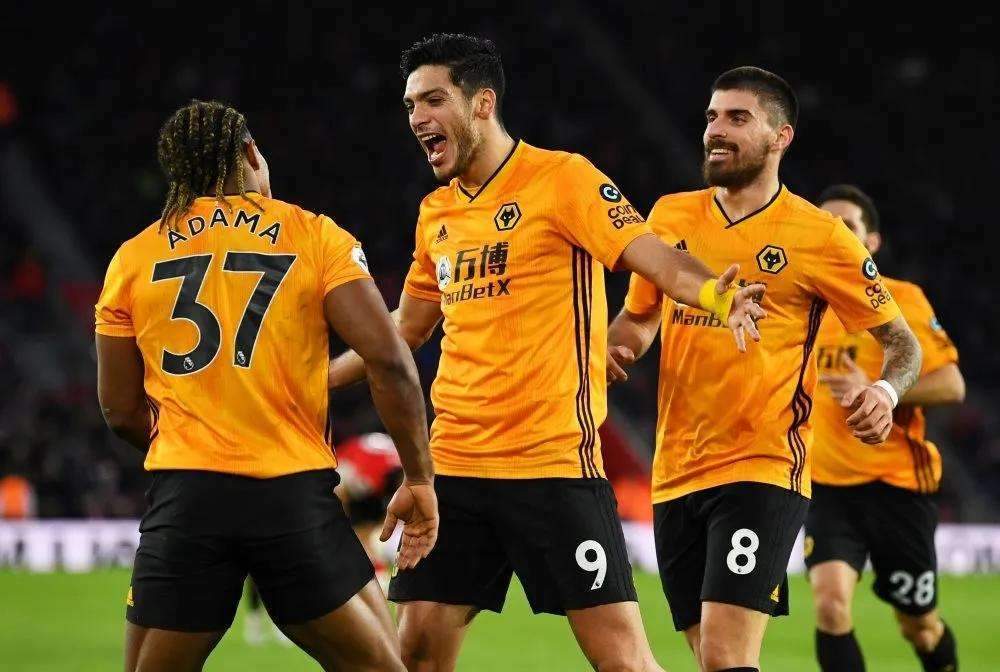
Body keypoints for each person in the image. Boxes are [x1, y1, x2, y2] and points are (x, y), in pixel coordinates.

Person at [328, 33, 764, 672]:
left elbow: (654, 258)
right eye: (410, 105)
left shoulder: (563, 180)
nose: (417, 117)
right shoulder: (436, 212)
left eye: (433, 100)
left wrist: (716, 296)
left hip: (551, 465)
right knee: (416, 655)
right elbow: (403, 330)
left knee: (623, 662)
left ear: (482, 103)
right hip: (455, 469)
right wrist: (312, 378)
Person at [95, 100, 437, 672]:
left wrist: (192, 451)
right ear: (252, 154)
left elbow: (119, 409)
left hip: (188, 500)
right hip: (290, 495)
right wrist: (420, 477)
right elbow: (390, 361)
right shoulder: (314, 236)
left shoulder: (132, 258)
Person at [607, 67, 922, 672]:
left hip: (763, 464)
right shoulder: (670, 215)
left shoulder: (821, 236)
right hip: (674, 470)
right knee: (709, 655)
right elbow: (640, 318)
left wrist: (885, 390)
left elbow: (902, 343)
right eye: (711, 117)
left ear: (781, 137)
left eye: (737, 118)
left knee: (727, 654)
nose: (715, 130)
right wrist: (611, 351)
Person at [806, 184, 963, 672]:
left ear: (871, 242)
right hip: (828, 488)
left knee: (920, 627)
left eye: (848, 226)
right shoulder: (800, 305)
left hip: (897, 488)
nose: (835, 233)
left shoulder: (903, 300)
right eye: (826, 225)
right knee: (830, 606)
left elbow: (951, 385)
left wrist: (881, 389)